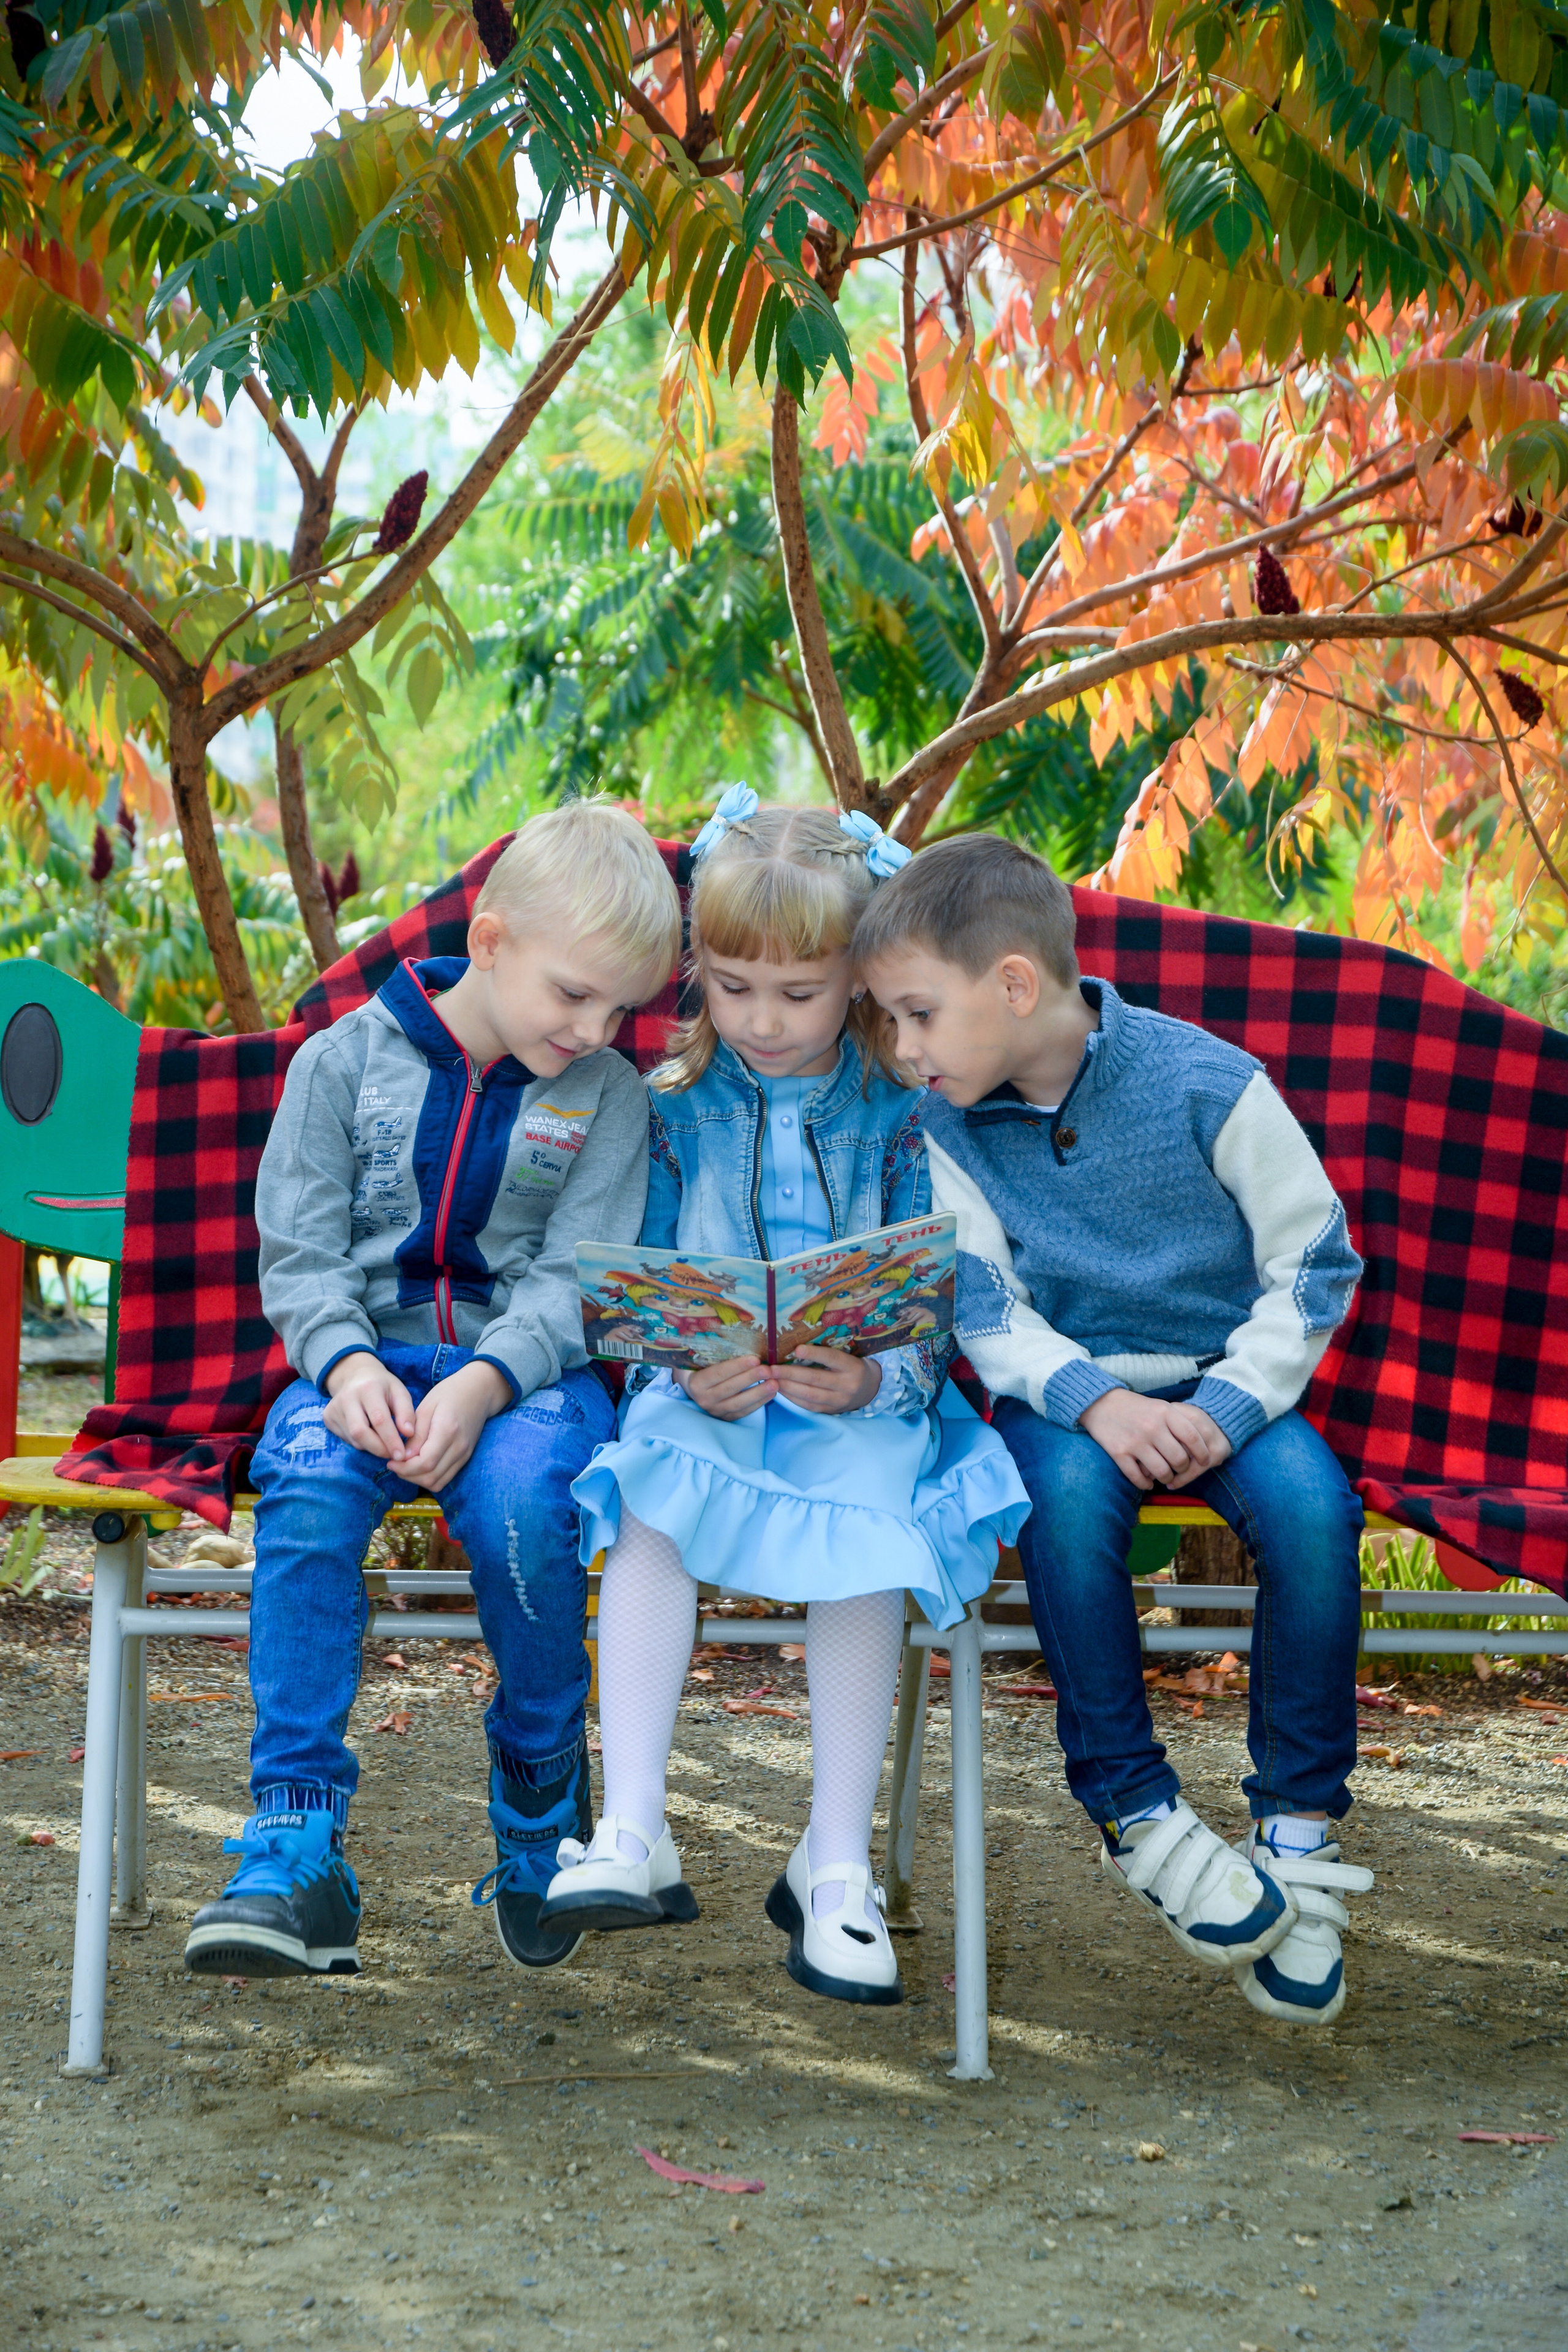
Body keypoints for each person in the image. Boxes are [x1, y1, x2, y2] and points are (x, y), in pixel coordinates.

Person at [854, 833, 1374, 2026]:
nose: (905, 1049)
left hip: (1228, 1387)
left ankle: (1296, 1831)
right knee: (1065, 1510)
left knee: (1310, 1516)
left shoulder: (1206, 1083)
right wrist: (1098, 1400)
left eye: (918, 1015)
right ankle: (1133, 1809)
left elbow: (1312, 1262)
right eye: (891, 1021)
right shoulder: (941, 1130)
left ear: (1014, 987)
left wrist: (1229, 1406)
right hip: (1067, 1397)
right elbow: (979, 1301)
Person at [544, 789, 1028, 2004]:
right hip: (706, 1403)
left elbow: (937, 1283)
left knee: (867, 1528)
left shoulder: (905, 1113)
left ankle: (834, 1863)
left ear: (856, 980)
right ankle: (636, 1824)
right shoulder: (661, 1108)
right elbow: (640, 1275)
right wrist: (673, 1364)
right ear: (695, 971)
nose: (762, 1022)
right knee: (647, 1488)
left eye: (799, 994)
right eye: (730, 986)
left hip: (855, 1408)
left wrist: (879, 1374)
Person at [183, 802, 682, 1981]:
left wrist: (488, 1383)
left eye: (621, 1009)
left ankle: (540, 1806)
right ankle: (295, 1836)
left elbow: (583, 1275)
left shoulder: (607, 1093)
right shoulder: (338, 1063)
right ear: (494, 941)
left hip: (530, 1377)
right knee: (304, 1485)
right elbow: (298, 1254)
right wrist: (346, 1364)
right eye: (575, 995)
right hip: (354, 1365)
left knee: (526, 1508)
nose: (598, 1028)